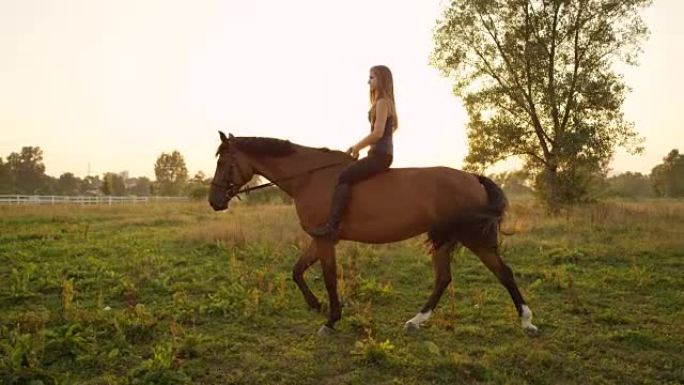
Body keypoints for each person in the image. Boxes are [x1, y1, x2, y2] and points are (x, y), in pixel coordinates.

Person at [309, 65, 398, 238]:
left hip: (380, 156)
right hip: (380, 154)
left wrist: (357, 147)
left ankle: (332, 226)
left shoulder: (381, 103)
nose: (368, 81)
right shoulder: (386, 103)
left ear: (382, 79)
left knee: (343, 176)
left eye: (372, 77)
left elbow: (378, 133)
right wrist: (360, 148)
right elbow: (387, 132)